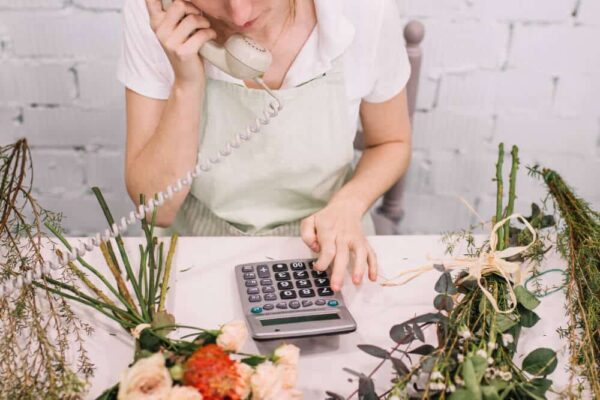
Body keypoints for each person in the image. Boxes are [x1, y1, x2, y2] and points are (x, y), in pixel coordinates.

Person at [117, 0, 412, 292]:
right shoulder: (159, 15)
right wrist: (187, 82)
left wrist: (349, 205)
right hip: (195, 250)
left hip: (327, 247)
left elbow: (391, 142)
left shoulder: (364, 10)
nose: (240, 14)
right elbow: (157, 209)